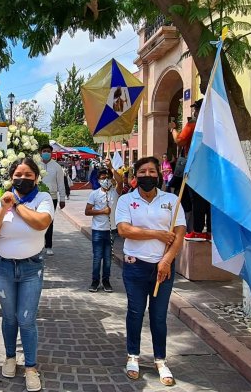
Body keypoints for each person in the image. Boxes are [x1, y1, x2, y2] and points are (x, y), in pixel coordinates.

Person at [0, 158, 54, 392]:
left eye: (28, 175)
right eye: (18, 175)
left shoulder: (42, 198)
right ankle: (10, 357)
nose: (22, 179)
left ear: (36, 178)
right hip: (2, 267)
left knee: (26, 319)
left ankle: (31, 367)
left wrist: (18, 205)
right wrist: (4, 207)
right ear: (11, 178)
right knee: (10, 317)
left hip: (31, 268)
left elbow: (41, 223)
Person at [115, 156, 186, 387]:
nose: (148, 175)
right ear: (135, 176)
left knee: (158, 315)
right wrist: (157, 233)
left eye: (152, 171)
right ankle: (133, 356)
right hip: (135, 265)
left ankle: (160, 359)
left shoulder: (173, 200)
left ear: (159, 175)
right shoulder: (126, 200)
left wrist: (166, 260)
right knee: (135, 312)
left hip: (162, 267)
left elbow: (179, 234)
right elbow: (124, 230)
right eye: (143, 172)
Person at [169, 99, 210, 241]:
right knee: (209, 199)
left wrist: (173, 129)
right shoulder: (215, 125)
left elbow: (180, 140)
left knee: (196, 199)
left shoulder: (194, 124)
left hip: (195, 165)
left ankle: (198, 231)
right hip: (211, 167)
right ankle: (210, 232)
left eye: (196, 109)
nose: (194, 112)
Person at [84, 161, 123, 293]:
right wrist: (101, 211)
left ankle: (106, 281)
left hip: (111, 230)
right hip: (98, 230)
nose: (105, 180)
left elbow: (121, 181)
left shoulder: (115, 192)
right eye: (102, 178)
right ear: (98, 180)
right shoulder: (94, 194)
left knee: (108, 258)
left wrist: (111, 167)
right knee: (97, 257)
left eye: (107, 178)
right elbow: (87, 211)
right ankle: (95, 281)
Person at [39, 144, 66, 256]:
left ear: (51, 153)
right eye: (44, 151)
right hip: (38, 196)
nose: (46, 153)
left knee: (49, 221)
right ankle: (38, 245)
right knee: (37, 222)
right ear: (40, 152)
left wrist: (62, 198)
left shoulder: (56, 167)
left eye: (48, 151)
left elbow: (61, 183)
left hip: (52, 197)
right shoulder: (36, 165)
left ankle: (48, 246)